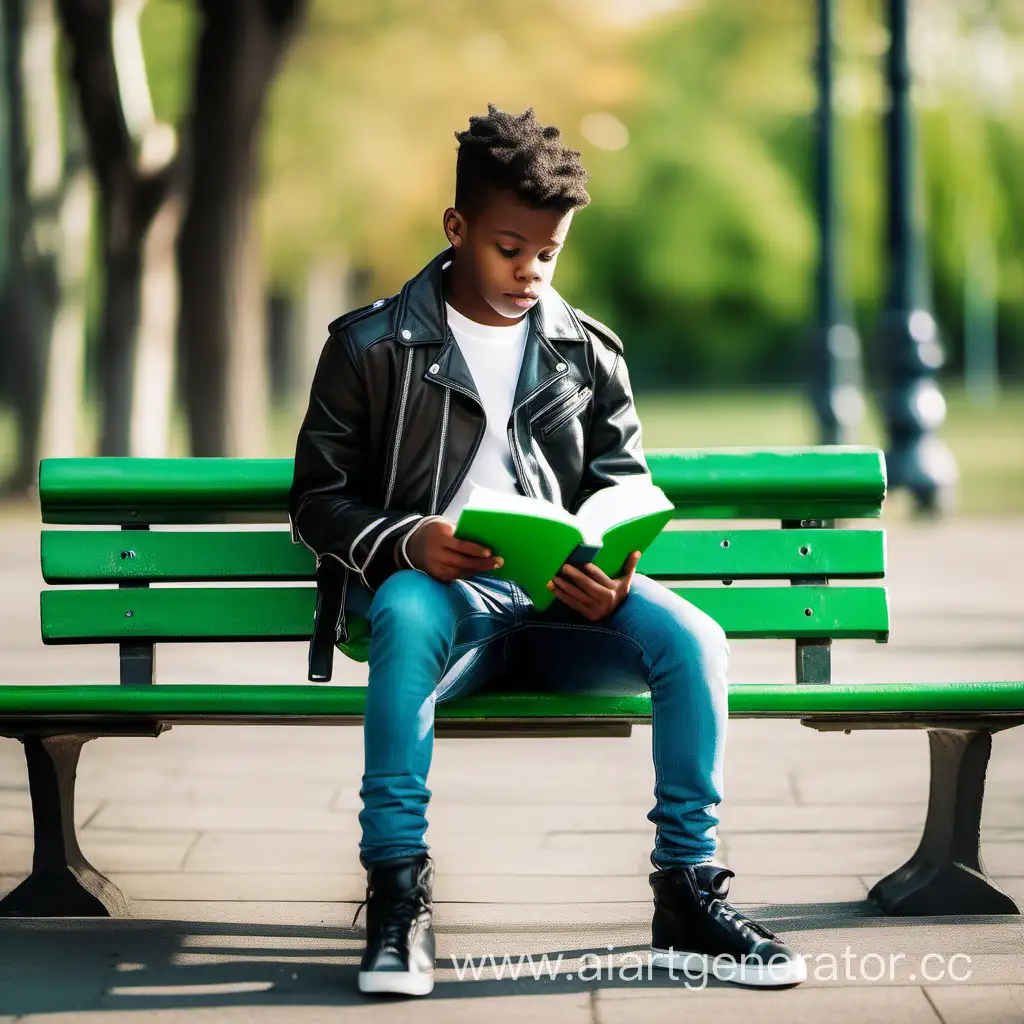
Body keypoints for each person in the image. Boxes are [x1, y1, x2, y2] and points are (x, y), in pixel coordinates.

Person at [289, 104, 806, 996]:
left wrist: (614, 572)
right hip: (444, 608)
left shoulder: (585, 350)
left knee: (695, 641)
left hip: (564, 602)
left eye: (549, 253)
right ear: (456, 229)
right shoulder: (368, 346)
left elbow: (622, 481)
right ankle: (397, 892)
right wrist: (409, 538)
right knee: (409, 606)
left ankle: (687, 890)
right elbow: (317, 501)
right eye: (508, 246)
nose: (531, 270)